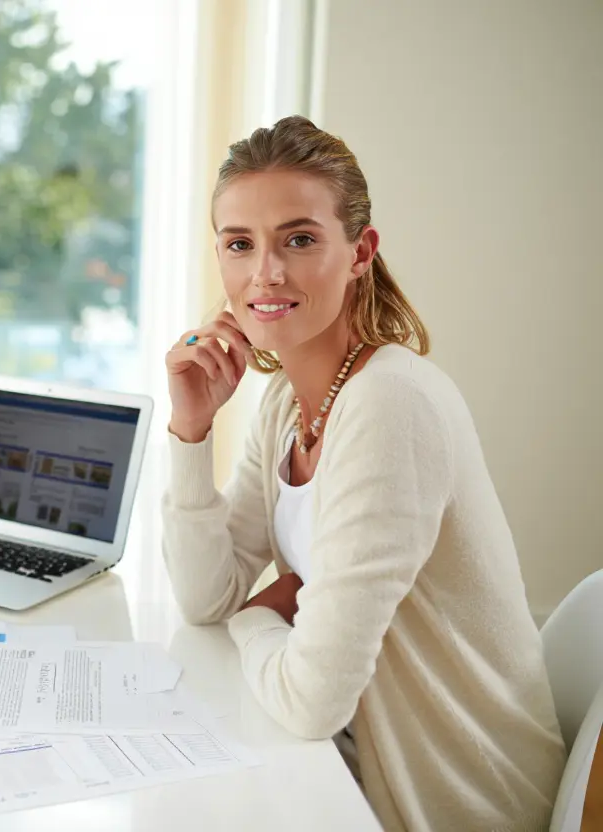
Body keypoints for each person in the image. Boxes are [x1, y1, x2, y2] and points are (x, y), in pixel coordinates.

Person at [161, 115, 565, 831]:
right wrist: (191, 431)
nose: (267, 273)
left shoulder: (390, 404)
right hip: (351, 763)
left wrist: (256, 619)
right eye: (240, 244)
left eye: (300, 239)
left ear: (359, 252)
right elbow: (205, 596)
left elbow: (313, 697)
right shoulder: (287, 400)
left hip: (446, 800)